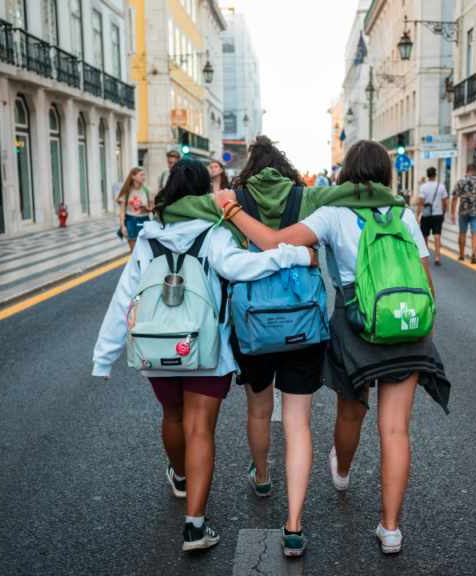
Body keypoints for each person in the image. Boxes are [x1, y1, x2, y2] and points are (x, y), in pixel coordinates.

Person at [214, 139, 451, 555]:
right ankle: (390, 529)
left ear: (344, 174)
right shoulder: (403, 213)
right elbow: (426, 282)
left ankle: (341, 472)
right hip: (409, 326)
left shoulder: (333, 213)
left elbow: (273, 242)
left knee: (351, 412)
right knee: (395, 429)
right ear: (386, 175)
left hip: (357, 327)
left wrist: (231, 209)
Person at [92, 158, 313, 552]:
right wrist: (295, 256)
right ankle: (194, 527)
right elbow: (245, 267)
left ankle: (180, 477)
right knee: (200, 429)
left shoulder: (147, 237)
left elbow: (125, 296)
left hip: (156, 346)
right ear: (203, 194)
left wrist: (103, 357)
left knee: (172, 417)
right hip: (206, 349)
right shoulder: (215, 234)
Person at [225, 136, 326, 558]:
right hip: (302, 323)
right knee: (298, 423)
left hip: (253, 326)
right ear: (286, 169)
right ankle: (294, 525)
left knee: (259, 410)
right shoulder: (307, 200)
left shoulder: (234, 202)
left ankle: (263, 476)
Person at [450, 163, 476, 263]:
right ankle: (473, 253)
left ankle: (462, 255)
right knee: (475, 233)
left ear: (466, 170)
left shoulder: (460, 182)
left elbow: (454, 198)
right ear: (475, 171)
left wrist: (452, 213)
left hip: (463, 211)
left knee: (462, 232)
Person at [416, 167, 448, 266]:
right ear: (436, 175)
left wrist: (417, 215)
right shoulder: (441, 186)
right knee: (437, 235)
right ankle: (437, 257)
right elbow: (445, 202)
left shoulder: (423, 187)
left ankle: (425, 256)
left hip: (426, 214)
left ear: (427, 175)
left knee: (425, 236)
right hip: (438, 214)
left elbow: (421, 202)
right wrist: (443, 213)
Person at [116, 167, 152, 252]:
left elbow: (152, 208)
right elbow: (122, 211)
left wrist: (146, 208)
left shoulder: (147, 190)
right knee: (134, 252)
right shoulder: (126, 191)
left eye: (144, 175)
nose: (144, 177)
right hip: (131, 221)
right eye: (141, 175)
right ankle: (137, 265)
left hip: (144, 221)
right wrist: (122, 226)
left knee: (145, 251)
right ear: (133, 176)